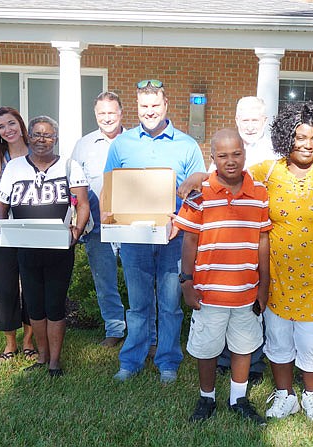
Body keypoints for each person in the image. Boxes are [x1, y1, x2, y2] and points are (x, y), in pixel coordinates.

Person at [180, 102, 313, 422]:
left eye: (312, 137)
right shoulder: (269, 170)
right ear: (287, 136)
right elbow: (231, 174)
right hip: (276, 276)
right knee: (279, 339)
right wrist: (200, 174)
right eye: (299, 137)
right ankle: (285, 396)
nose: (306, 144)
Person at [104, 79, 206, 384]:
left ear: (165, 106)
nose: (149, 111)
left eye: (155, 105)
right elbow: (109, 188)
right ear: (137, 108)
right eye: (144, 106)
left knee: (170, 304)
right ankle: (131, 361)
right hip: (134, 239)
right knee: (137, 304)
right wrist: (111, 220)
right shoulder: (121, 144)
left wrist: (182, 220)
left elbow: (198, 192)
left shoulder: (186, 144)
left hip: (173, 238)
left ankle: (168, 362)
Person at [176, 128, 271, 425]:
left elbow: (263, 241)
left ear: (245, 153)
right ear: (212, 157)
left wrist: (264, 285)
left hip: (245, 289)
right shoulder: (199, 194)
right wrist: (187, 281)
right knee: (207, 348)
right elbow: (189, 241)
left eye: (237, 154)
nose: (230, 161)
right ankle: (207, 398)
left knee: (243, 347)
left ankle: (238, 398)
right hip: (209, 291)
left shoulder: (259, 193)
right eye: (223, 155)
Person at [0, 116, 90, 377]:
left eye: (47, 135)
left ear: (55, 139)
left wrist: (77, 231)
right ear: (29, 137)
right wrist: (6, 231)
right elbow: (1, 205)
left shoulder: (70, 166)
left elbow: (82, 203)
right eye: (36, 134)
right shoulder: (14, 167)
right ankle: (41, 357)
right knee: (35, 305)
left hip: (59, 248)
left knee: (55, 305)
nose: (41, 140)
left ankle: (55, 362)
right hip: (26, 246)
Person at [215, 96, 278, 385]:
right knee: (230, 298)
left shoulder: (276, 151)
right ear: (237, 121)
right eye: (245, 120)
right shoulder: (227, 147)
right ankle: (226, 358)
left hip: (263, 232)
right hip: (229, 239)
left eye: (256, 119)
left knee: (255, 300)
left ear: (265, 121)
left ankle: (253, 363)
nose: (250, 125)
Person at [72, 92, 127, 348]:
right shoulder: (83, 145)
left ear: (121, 113)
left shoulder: (134, 141)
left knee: (138, 281)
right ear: (95, 115)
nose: (107, 118)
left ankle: (145, 332)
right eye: (102, 113)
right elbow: (74, 188)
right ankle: (115, 329)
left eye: (111, 112)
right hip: (97, 227)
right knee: (104, 282)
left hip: (130, 226)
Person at [0, 107, 36, 361]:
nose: (8, 129)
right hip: (3, 230)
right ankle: (10, 342)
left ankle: (29, 340)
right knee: (5, 288)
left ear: (21, 125)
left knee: (33, 285)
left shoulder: (38, 154)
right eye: (1, 126)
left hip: (34, 229)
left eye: (11, 123)